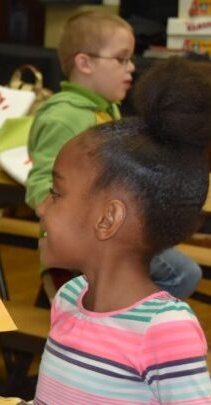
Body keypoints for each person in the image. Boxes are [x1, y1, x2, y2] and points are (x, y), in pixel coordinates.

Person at [34, 57, 211, 404]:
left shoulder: (164, 329)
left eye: (56, 194)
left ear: (107, 219)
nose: (41, 206)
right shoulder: (69, 298)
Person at [25, 10, 202, 300]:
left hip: (115, 237)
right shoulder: (63, 118)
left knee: (182, 271)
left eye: (130, 59)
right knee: (181, 273)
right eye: (121, 59)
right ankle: (128, 328)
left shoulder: (109, 111)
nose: (131, 67)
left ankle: (126, 325)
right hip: (80, 247)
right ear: (84, 63)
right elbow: (40, 187)